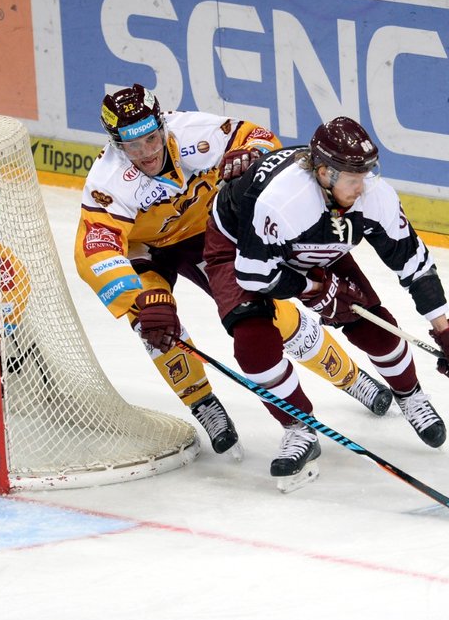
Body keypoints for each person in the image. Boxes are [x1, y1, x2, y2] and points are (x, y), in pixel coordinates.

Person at [75, 85, 394, 457]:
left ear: (162, 124)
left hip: (207, 232)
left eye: (151, 137)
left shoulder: (195, 132)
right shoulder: (107, 182)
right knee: (157, 326)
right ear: (117, 145)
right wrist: (140, 298)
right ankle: (203, 403)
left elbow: (259, 139)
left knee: (269, 312)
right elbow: (94, 253)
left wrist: (250, 154)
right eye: (133, 146)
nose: (147, 152)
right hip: (142, 248)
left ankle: (352, 378)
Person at [205, 116, 449, 487]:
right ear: (323, 173)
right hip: (241, 247)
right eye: (353, 177)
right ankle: (298, 427)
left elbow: (413, 262)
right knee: (252, 344)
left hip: (310, 241)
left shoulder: (372, 195)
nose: (362, 185)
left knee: (372, 322)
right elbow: (254, 275)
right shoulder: (282, 200)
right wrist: (314, 289)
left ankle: (409, 393)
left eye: (365, 173)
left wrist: (445, 328)